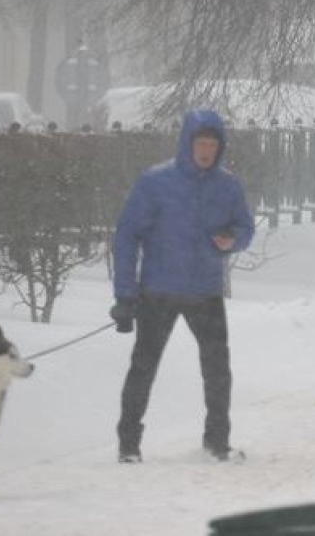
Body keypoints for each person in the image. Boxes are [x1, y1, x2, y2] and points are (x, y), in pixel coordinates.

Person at [110, 109, 255, 463]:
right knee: (144, 367)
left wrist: (232, 240)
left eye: (212, 144)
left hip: (205, 291)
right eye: (200, 143)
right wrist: (125, 296)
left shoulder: (228, 185)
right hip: (158, 291)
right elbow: (127, 236)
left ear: (220, 148)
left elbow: (245, 228)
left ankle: (217, 441)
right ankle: (129, 444)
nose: (206, 151)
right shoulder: (156, 183)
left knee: (217, 369)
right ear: (186, 143)